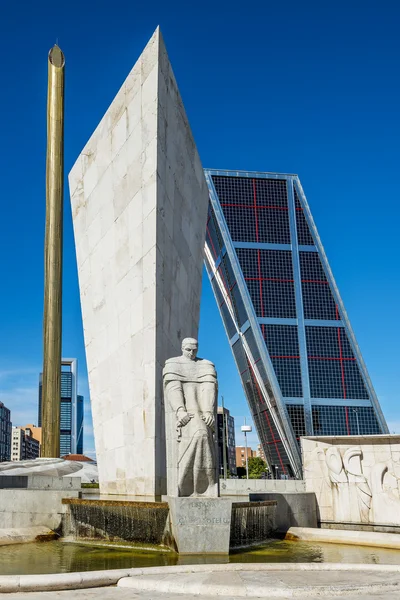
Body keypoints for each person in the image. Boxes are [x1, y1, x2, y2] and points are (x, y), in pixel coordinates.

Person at [163, 338, 218, 496]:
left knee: (204, 435)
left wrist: (208, 411)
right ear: (182, 348)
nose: (191, 353)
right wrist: (180, 410)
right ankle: (185, 484)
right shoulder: (173, 364)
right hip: (186, 413)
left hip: (201, 411)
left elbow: (209, 388)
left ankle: (207, 485)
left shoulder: (205, 365)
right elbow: (173, 388)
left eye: (194, 350)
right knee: (199, 434)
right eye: (188, 350)